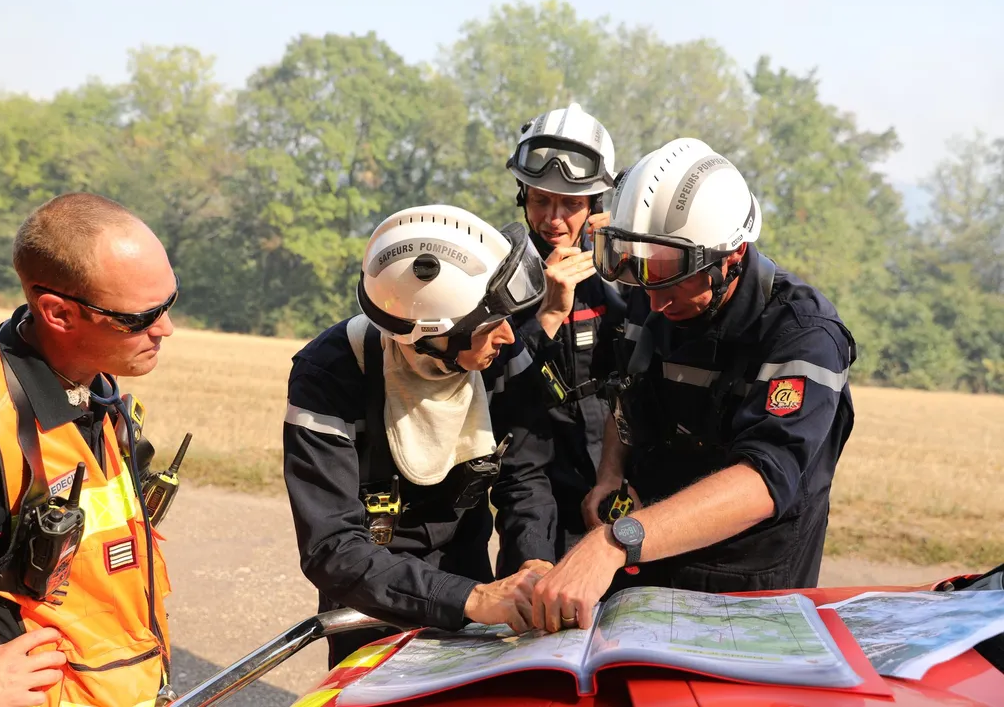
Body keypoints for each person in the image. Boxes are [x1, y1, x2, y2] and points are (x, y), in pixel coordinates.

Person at [530, 138, 857, 633]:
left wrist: (616, 541)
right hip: (643, 565)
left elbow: (764, 480)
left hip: (746, 592)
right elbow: (628, 389)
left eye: (672, 275)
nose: (656, 301)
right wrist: (611, 474)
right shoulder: (651, 290)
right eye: (644, 273)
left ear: (733, 255)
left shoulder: (802, 336)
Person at [0, 193, 179, 706]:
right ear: (57, 312)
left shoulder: (90, 388)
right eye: (141, 317)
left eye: (171, 300)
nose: (166, 328)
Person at [283, 204, 561, 667]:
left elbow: (525, 476)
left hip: (470, 577)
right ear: (435, 335)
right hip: (369, 597)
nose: (511, 338)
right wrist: (468, 599)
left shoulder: (498, 359)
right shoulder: (329, 376)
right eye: (493, 325)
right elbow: (332, 548)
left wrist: (533, 561)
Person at [504, 103, 628, 558]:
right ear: (523, 197)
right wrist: (549, 314)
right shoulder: (498, 275)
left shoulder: (624, 272)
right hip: (534, 482)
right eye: (540, 200)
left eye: (571, 204)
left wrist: (627, 257)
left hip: (620, 478)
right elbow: (499, 392)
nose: (554, 218)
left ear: (595, 206)